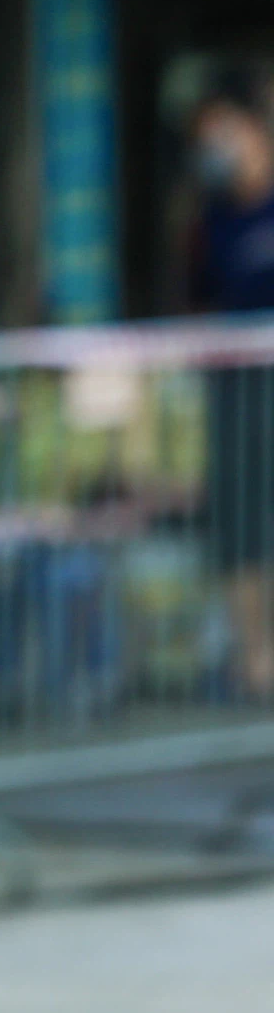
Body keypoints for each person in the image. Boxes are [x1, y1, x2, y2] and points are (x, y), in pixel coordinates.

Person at [187, 67, 274, 697]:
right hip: (235, 389)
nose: (218, 144)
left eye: (228, 130)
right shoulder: (209, 219)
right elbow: (197, 302)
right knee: (243, 521)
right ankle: (256, 659)